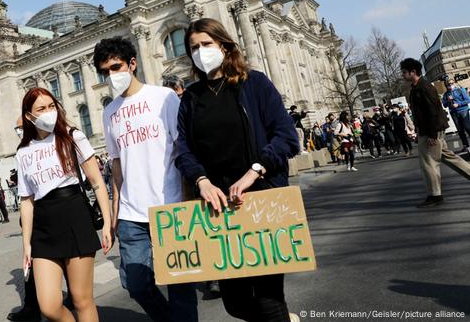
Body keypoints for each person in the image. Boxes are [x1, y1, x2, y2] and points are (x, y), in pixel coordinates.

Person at [174, 18, 300, 322]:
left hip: (260, 198)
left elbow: (286, 137)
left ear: (224, 45)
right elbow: (183, 150)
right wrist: (201, 180)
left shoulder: (254, 83)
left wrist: (255, 170)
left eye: (206, 44)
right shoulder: (190, 98)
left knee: (269, 298)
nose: (200, 52)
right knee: (234, 303)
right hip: (218, 209)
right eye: (193, 47)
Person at [93, 36, 198, 322]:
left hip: (170, 204)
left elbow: (182, 151)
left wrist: (188, 200)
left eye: (116, 67)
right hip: (131, 213)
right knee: (136, 284)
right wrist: (113, 215)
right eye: (105, 72)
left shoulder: (162, 98)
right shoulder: (109, 111)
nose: (111, 76)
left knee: (180, 284)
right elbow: (116, 165)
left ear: (132, 63)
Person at [17, 87, 112, 322]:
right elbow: (26, 200)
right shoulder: (23, 151)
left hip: (74, 214)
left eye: (51, 106)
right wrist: (26, 244)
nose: (49, 112)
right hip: (42, 225)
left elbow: (97, 182)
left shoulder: (72, 136)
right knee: (48, 307)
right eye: (41, 108)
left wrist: (108, 222)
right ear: (29, 116)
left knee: (81, 300)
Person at [401, 58, 470, 207]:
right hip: (429, 130)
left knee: (429, 164)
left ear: (413, 72)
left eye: (404, 72)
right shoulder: (418, 87)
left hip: (430, 131)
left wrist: (431, 135)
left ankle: (435, 195)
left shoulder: (423, 87)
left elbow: (432, 112)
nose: (403, 75)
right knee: (448, 157)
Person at [441, 78, 470, 154]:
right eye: (448, 84)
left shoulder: (460, 90)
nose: (450, 85)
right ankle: (466, 145)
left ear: (454, 83)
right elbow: (444, 105)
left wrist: (459, 104)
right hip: (454, 113)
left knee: (467, 127)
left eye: (451, 83)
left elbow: (468, 100)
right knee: (460, 130)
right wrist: (448, 100)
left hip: (463, 110)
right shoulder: (446, 94)